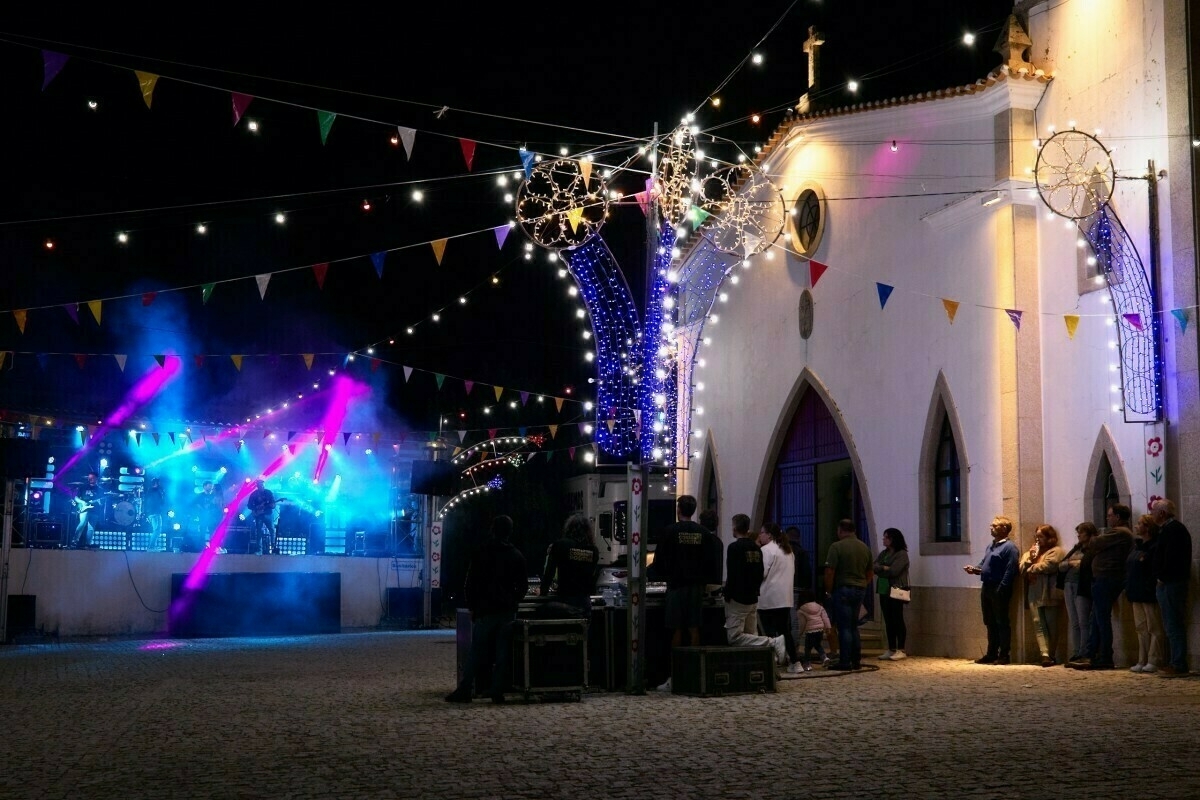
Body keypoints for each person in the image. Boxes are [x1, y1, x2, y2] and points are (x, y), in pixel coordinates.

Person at [446, 515, 528, 704]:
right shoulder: (516, 555)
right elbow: (522, 586)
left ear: (493, 529)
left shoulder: (481, 552)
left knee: (477, 651)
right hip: (506, 610)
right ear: (510, 531)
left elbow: (470, 582)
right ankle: (497, 691)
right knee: (502, 653)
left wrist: (473, 606)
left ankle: (466, 689)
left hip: (485, 609)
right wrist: (513, 600)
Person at [649, 494, 720, 692]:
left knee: (676, 628)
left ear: (679, 510)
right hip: (696, 587)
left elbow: (659, 561)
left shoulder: (670, 532)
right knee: (694, 627)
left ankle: (676, 674)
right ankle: (696, 673)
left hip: (676, 586)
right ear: (694, 510)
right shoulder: (703, 533)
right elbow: (710, 561)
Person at [1069, 513, 1133, 671]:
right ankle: (1092, 654)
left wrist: (1095, 540)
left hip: (1107, 578)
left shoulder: (1120, 532)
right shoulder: (1117, 533)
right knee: (1096, 619)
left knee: (1101, 619)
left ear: (1118, 517)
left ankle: (1105, 656)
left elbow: (1094, 542)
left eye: (1110, 516)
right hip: (1103, 579)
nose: (1107, 519)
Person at [721, 514, 787, 663]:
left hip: (738, 598)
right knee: (752, 634)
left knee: (735, 637)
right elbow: (759, 573)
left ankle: (772, 642)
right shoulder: (756, 549)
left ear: (735, 527)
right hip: (752, 597)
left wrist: (728, 593)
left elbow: (733, 573)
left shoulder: (734, 547)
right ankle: (762, 665)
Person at [963, 516, 1019, 665]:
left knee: (1001, 621)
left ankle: (1004, 654)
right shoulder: (991, 546)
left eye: (995, 525)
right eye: (991, 525)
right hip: (987, 586)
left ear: (1004, 529)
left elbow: (1010, 569)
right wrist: (975, 569)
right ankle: (991, 653)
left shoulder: (1010, 548)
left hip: (999, 587)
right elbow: (984, 563)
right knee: (990, 621)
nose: (991, 528)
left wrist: (1002, 587)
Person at [824, 518, 873, 671]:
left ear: (840, 530)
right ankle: (856, 661)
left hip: (843, 589)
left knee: (844, 627)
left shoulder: (836, 547)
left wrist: (828, 590)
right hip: (860, 589)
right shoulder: (865, 547)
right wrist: (863, 584)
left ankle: (845, 662)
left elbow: (830, 571)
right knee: (853, 626)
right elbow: (870, 572)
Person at [1151, 498, 1192, 677]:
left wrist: (1162, 577)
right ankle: (1175, 661)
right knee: (1171, 624)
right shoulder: (1169, 529)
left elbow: (1171, 557)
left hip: (1171, 583)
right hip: (1170, 582)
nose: (1151, 515)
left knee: (1173, 624)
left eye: (1154, 511)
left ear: (1162, 513)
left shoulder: (1173, 530)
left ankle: (1178, 663)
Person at [1019, 524, 1065, 666]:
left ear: (1049, 538)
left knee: (1051, 624)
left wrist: (1031, 568)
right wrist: (1030, 559)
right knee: (1038, 624)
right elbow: (1021, 569)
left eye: (1041, 536)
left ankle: (1051, 654)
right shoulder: (1031, 552)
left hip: (1049, 592)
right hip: (1034, 592)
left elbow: (1049, 566)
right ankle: (1044, 654)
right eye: (1036, 536)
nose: (1038, 540)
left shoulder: (1055, 551)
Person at [540, 512, 600, 617]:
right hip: (584, 603)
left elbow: (549, 573)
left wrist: (542, 592)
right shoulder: (593, 551)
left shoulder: (560, 545)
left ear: (569, 529)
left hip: (565, 601)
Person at [758, 522, 799, 671]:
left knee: (768, 633)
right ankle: (795, 662)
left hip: (768, 597)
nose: (759, 535)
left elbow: (761, 573)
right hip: (785, 597)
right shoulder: (788, 551)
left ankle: (771, 662)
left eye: (762, 533)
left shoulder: (766, 550)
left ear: (769, 535)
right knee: (784, 631)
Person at [1126, 514, 1164, 674]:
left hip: (1148, 592)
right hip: (1136, 591)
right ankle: (1142, 659)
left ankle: (1154, 659)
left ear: (1148, 528)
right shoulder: (1138, 546)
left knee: (1153, 627)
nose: (1136, 526)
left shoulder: (1154, 546)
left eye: (1140, 524)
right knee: (1140, 627)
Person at [1059, 522, 1095, 662]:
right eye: (1078, 532)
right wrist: (1070, 564)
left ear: (1089, 533)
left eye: (1081, 532)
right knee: (1074, 621)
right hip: (1069, 585)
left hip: (1082, 586)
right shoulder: (1076, 549)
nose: (1078, 535)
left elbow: (1086, 566)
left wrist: (1077, 564)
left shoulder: (1091, 549)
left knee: (1083, 620)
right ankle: (1076, 651)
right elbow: (1061, 565)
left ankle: (1084, 651)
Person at [873, 527, 910, 661]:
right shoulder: (884, 553)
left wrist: (882, 567)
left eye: (886, 537)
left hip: (896, 589)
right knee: (888, 620)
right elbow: (874, 566)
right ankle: (891, 648)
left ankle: (901, 649)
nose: (883, 539)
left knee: (897, 618)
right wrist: (884, 567)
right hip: (883, 589)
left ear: (893, 539)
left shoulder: (901, 554)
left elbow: (894, 571)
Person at [795, 587, 832, 671]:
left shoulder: (801, 609)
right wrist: (828, 627)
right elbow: (825, 617)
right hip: (820, 630)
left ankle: (807, 664)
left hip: (810, 631)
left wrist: (800, 633)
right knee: (818, 645)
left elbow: (802, 623)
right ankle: (824, 657)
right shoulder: (819, 606)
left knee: (807, 649)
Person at [70, 471, 103, 548]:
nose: (90, 479)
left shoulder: (100, 489)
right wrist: (82, 502)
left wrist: (100, 502)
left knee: (91, 528)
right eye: (89, 478)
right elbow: (76, 498)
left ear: (96, 478)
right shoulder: (83, 487)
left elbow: (101, 502)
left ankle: (88, 544)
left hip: (95, 510)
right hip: (84, 509)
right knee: (82, 524)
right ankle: (74, 541)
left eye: (92, 478)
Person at [247, 479, 277, 555]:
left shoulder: (268, 493)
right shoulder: (254, 494)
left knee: (272, 530)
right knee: (259, 532)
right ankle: (259, 550)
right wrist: (256, 508)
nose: (260, 486)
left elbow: (273, 503)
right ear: (257, 485)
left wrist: (272, 505)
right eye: (259, 484)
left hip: (268, 514)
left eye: (261, 484)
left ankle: (273, 548)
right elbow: (249, 505)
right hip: (259, 515)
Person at [143, 476, 166, 549]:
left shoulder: (150, 491)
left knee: (157, 530)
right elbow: (158, 502)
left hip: (153, 513)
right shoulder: (155, 491)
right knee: (156, 530)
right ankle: (151, 546)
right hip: (154, 513)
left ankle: (152, 546)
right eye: (159, 482)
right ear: (156, 483)